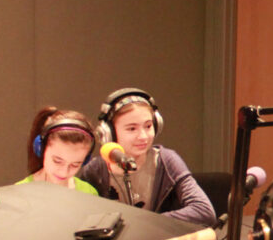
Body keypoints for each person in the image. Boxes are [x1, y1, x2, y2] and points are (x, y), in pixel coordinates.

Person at [77, 87, 214, 226]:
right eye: (132, 129)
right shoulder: (95, 170)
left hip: (156, 239)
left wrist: (144, 223)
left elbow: (204, 211)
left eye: (148, 126)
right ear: (109, 132)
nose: (143, 136)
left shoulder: (166, 161)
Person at [16, 107, 98, 194]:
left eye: (75, 165)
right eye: (57, 161)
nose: (64, 172)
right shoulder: (19, 193)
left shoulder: (89, 193)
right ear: (41, 149)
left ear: (85, 160)